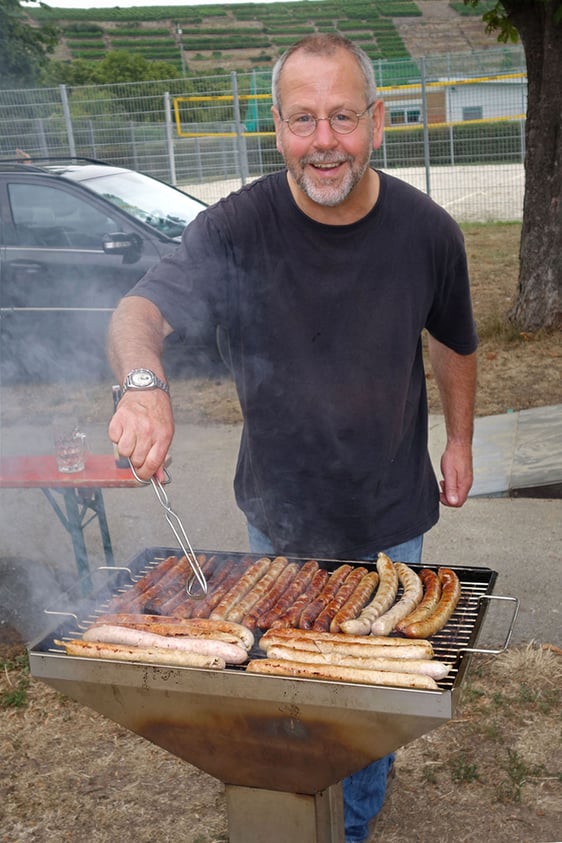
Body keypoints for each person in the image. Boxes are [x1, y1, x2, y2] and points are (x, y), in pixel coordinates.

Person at [107, 34, 477, 843]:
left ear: (376, 123)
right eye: (304, 119)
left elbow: (453, 337)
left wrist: (460, 440)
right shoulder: (237, 227)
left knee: (373, 693)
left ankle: (353, 816)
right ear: (277, 128)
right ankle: (298, 792)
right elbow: (139, 313)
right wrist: (143, 386)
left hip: (391, 511)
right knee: (288, 677)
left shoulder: (427, 232)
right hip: (277, 515)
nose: (324, 142)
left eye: (343, 117)